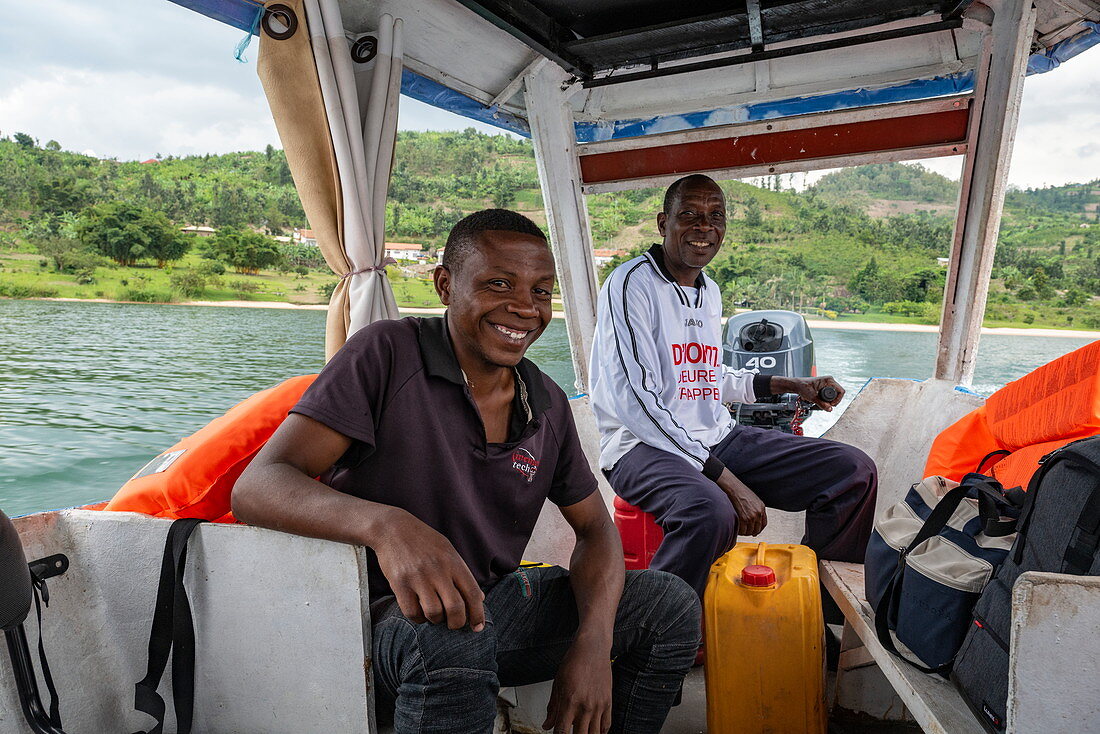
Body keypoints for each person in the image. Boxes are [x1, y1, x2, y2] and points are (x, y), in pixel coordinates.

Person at [233, 209, 699, 734]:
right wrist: (388, 526)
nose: (524, 308)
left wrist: (594, 642)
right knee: (453, 633)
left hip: (489, 604)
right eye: (499, 284)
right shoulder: (386, 353)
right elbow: (259, 486)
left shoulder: (546, 401)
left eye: (542, 291)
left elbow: (595, 530)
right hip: (378, 618)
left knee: (670, 604)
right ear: (445, 285)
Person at [589, 174, 878, 601]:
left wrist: (793, 384)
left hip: (716, 438)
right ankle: (651, 635)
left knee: (852, 472)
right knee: (711, 512)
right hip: (639, 448)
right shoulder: (632, 283)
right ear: (662, 222)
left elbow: (709, 376)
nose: (704, 227)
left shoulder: (709, 292)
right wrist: (728, 480)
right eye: (689, 215)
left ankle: (823, 611)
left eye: (715, 216)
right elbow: (636, 402)